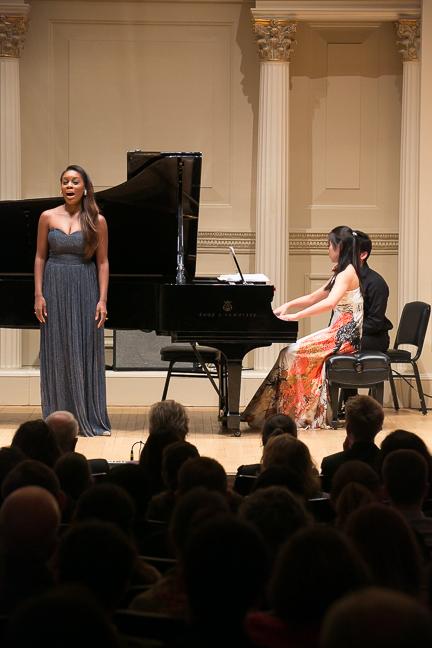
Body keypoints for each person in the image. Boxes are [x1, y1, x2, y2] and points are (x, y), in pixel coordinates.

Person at [242, 226, 363, 429]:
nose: (328, 249)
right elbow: (315, 297)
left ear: (339, 247)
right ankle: (285, 412)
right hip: (339, 332)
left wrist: (296, 316)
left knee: (291, 352)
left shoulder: (347, 273)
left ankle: (299, 414)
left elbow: (329, 303)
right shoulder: (341, 272)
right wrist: (288, 305)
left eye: (329, 245)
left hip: (345, 335)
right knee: (289, 352)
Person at [34, 164, 110, 437]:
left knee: (84, 347)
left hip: (84, 286)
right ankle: (57, 418)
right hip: (54, 286)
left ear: (85, 187)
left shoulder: (97, 220)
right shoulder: (46, 217)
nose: (68, 186)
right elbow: (40, 257)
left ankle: (88, 416)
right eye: (64, 181)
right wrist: (38, 293)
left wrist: (102, 300)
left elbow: (102, 263)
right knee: (57, 349)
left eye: (74, 181)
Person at [320, 394, 384, 492]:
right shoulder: (385, 463)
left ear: (348, 428)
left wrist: (347, 455)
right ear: (380, 428)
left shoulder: (330, 464)